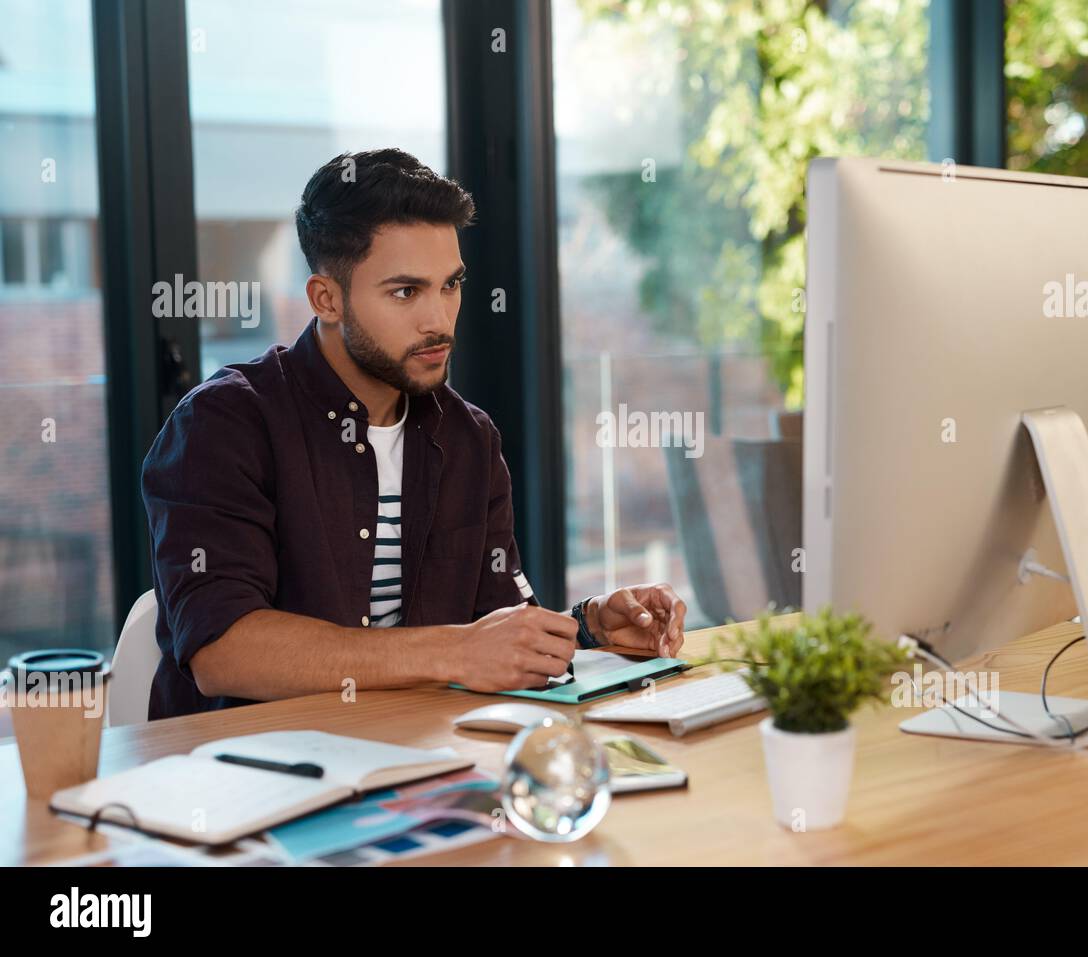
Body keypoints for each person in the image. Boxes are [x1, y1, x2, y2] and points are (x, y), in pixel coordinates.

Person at [141, 148, 687, 719]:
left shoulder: (470, 440)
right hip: (242, 778)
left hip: (416, 765)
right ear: (326, 298)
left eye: (450, 285)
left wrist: (589, 626)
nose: (439, 320)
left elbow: (495, 629)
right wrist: (454, 651)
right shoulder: (223, 425)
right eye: (406, 292)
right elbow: (223, 651)